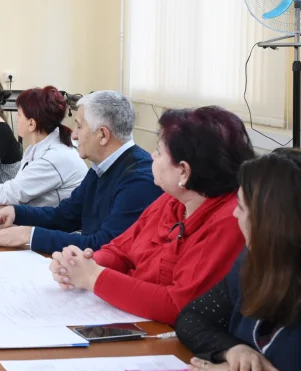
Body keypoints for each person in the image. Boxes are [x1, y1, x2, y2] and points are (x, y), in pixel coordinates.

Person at [48, 106, 253, 325]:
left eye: (159, 151)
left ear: (184, 171)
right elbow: (120, 251)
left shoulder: (230, 219)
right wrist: (79, 263)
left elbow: (178, 305)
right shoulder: (172, 200)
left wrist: (92, 276)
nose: (152, 156)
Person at [179, 148, 301, 371]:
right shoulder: (253, 262)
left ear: (271, 222)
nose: (234, 214)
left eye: (241, 206)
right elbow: (192, 317)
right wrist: (233, 350)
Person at [0, 90, 162, 253]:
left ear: (103, 135)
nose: (73, 135)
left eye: (79, 126)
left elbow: (106, 245)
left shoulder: (139, 180)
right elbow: (65, 215)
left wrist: (30, 235)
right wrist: (16, 212)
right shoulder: (101, 167)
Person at [0, 86, 88, 208]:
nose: (17, 119)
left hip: (58, 225)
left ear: (31, 124)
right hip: (41, 218)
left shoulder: (53, 157)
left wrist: (0, 189)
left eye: (19, 115)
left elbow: (7, 195)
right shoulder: (37, 148)